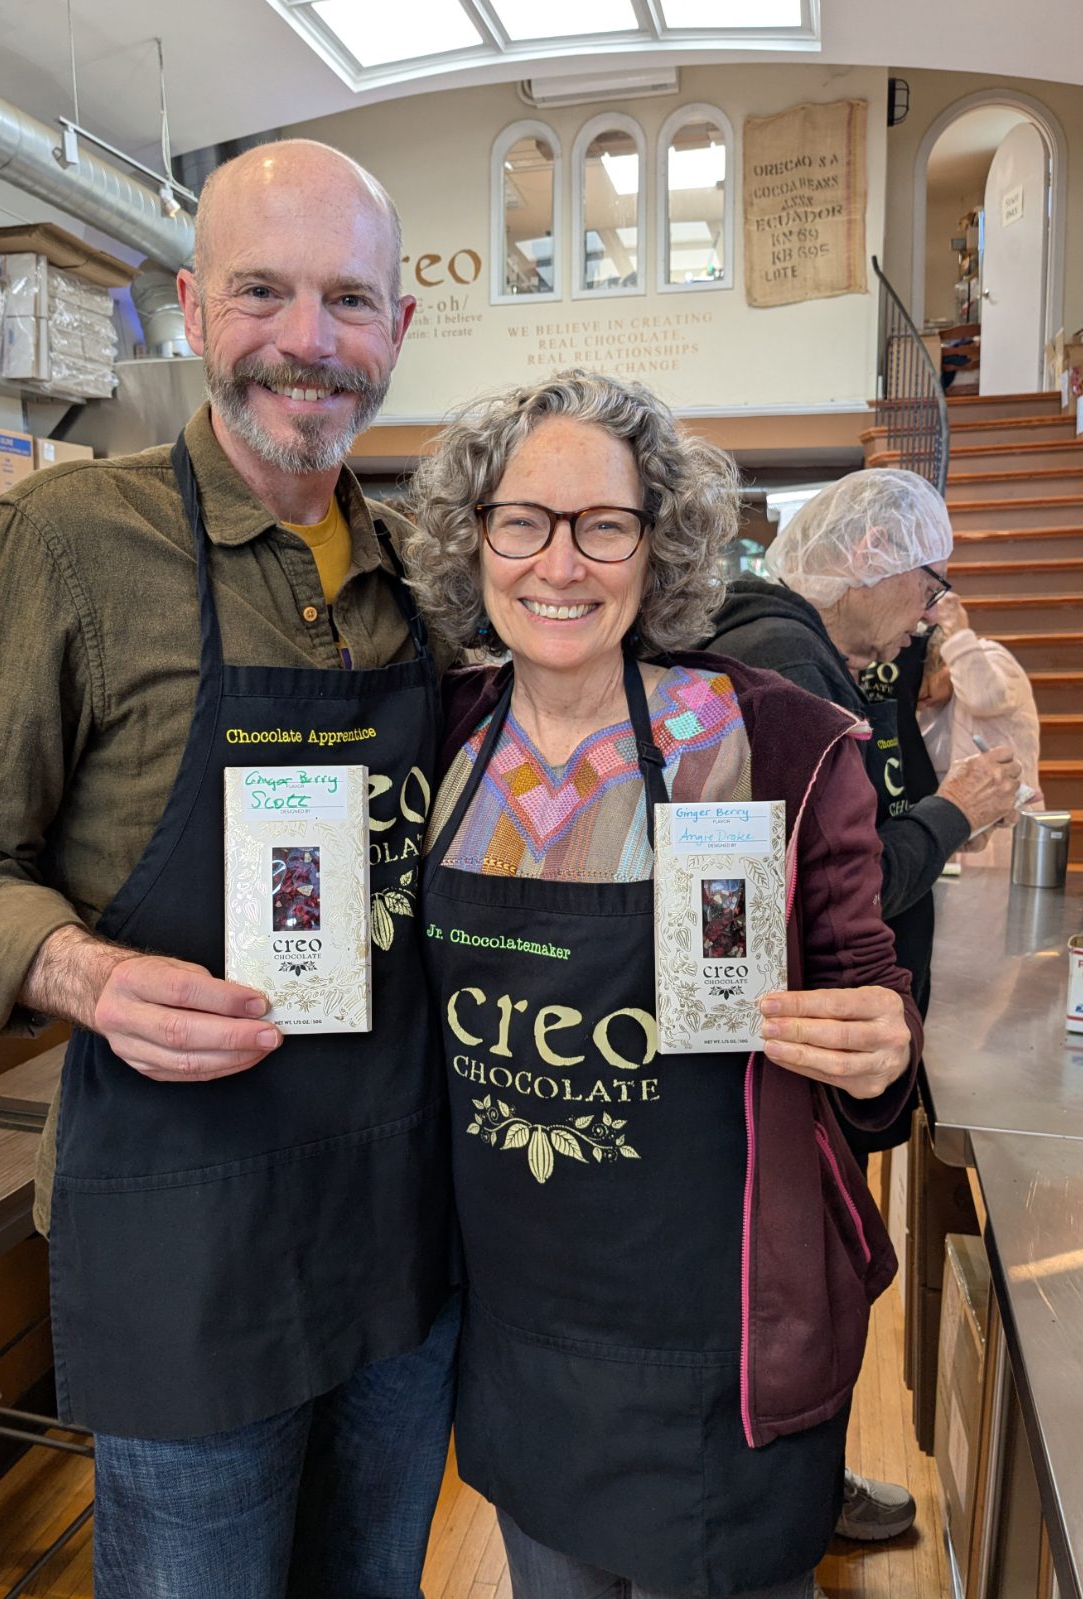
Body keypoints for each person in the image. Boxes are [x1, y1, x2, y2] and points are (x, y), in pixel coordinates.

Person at [0, 140, 459, 1599]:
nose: (307, 341)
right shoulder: (68, 538)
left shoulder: (428, 583)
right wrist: (85, 968)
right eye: (264, 290)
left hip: (400, 1223)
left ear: (400, 328)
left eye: (347, 297)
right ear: (197, 309)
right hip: (187, 1221)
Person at [404, 371, 923, 1599]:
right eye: (522, 521)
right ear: (472, 539)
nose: (561, 565)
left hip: (722, 1341)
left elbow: (872, 1024)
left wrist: (880, 1045)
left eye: (606, 526)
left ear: (660, 544)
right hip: (520, 1332)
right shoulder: (434, 743)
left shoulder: (772, 748)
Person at [704, 469, 1021, 1544]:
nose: (932, 607)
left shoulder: (807, 651)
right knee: (817, 1275)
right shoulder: (787, 661)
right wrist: (954, 812)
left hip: (805, 1033)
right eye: (927, 582)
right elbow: (848, 878)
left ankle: (802, 1488)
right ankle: (799, 1496)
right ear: (868, 563)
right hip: (806, 1043)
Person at [918, 593, 1044, 868]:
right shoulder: (924, 707)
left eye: (926, 685)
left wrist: (958, 634)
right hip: (955, 837)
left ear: (944, 661)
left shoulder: (990, 660)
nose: (920, 697)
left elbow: (983, 698)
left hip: (1006, 835)